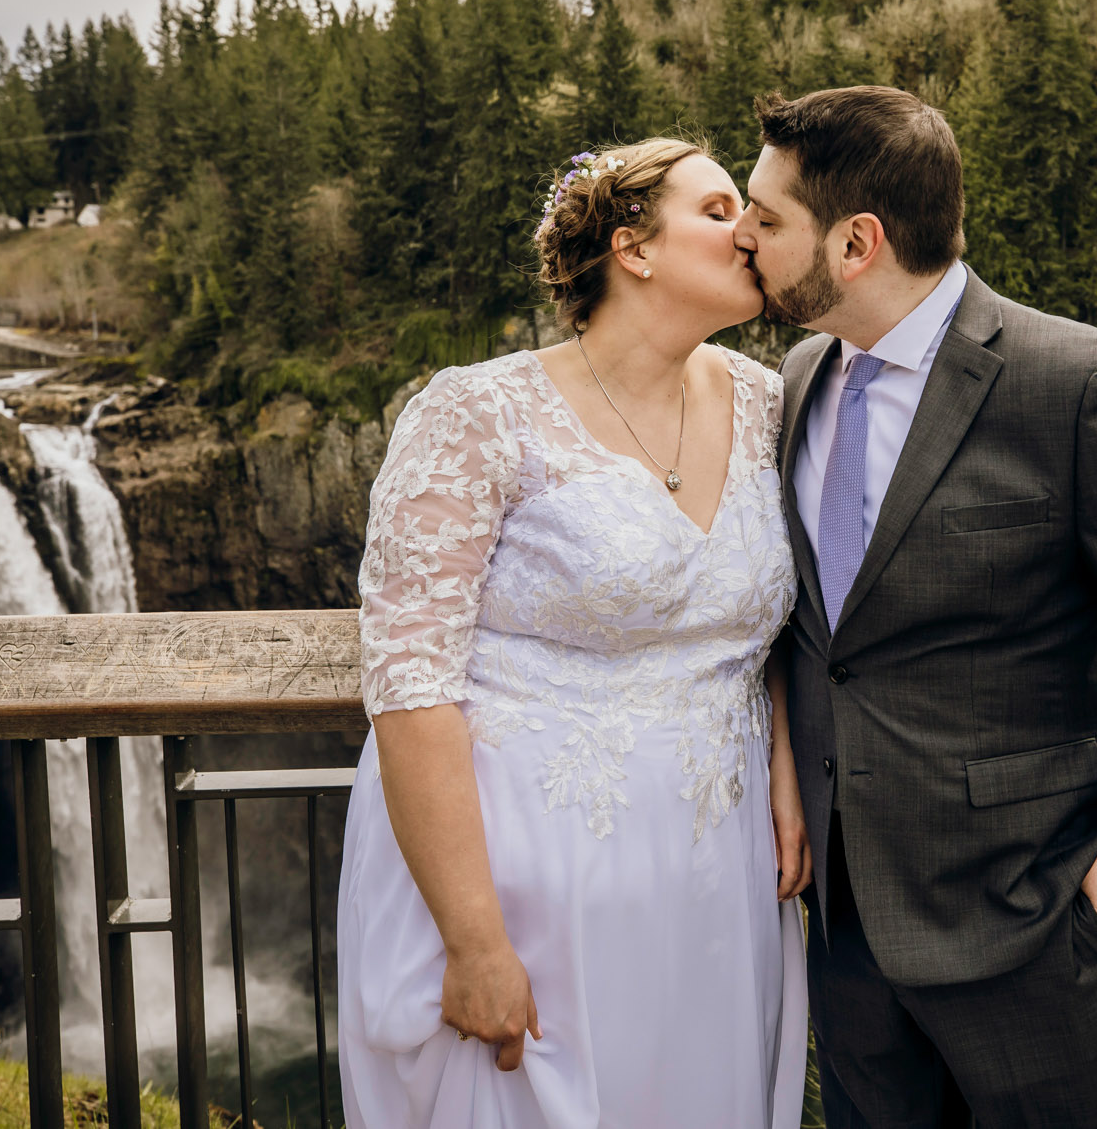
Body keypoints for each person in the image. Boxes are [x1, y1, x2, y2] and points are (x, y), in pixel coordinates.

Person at [733, 86, 1097, 1128]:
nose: (741, 236)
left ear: (855, 242)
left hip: (1029, 933)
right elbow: (820, 639)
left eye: (765, 215)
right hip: (845, 931)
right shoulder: (797, 378)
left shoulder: (1073, 384)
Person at [336, 138, 811, 1128]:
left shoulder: (771, 402)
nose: (751, 232)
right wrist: (473, 941)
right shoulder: (475, 414)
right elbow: (411, 682)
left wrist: (783, 756)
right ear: (631, 247)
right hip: (527, 876)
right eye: (721, 210)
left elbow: (760, 615)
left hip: (717, 875)